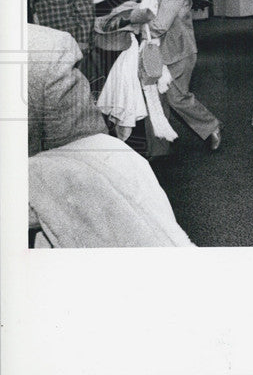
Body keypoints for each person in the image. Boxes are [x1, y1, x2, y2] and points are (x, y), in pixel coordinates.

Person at [26, 23, 193, 248]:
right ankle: (168, 144)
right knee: (149, 106)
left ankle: (201, 132)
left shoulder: (42, 52)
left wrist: (112, 20)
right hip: (134, 54)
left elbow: (157, 23)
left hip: (153, 54)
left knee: (167, 101)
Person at [128, 0, 223, 153]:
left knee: (176, 98)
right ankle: (158, 150)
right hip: (154, 52)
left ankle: (211, 126)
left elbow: (160, 25)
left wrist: (133, 20)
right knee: (153, 97)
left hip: (177, 54)